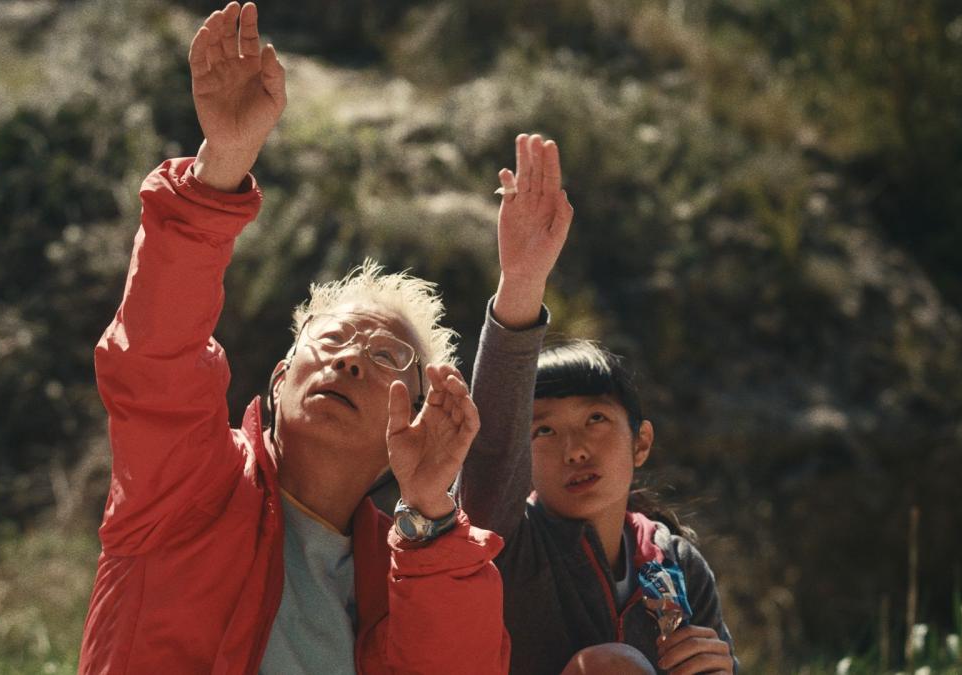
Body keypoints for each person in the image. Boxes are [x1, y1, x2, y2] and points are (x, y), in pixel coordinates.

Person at [77, 3, 571, 673]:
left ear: (413, 421)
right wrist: (221, 161)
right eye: (334, 340)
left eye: (387, 357)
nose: (351, 360)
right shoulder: (187, 484)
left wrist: (427, 512)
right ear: (279, 380)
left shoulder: (404, 572)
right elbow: (155, 352)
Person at [463, 339, 738, 674]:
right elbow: (493, 443)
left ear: (641, 442)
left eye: (595, 418)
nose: (575, 451)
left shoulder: (677, 561)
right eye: (544, 430)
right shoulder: (507, 544)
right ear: (521, 458)